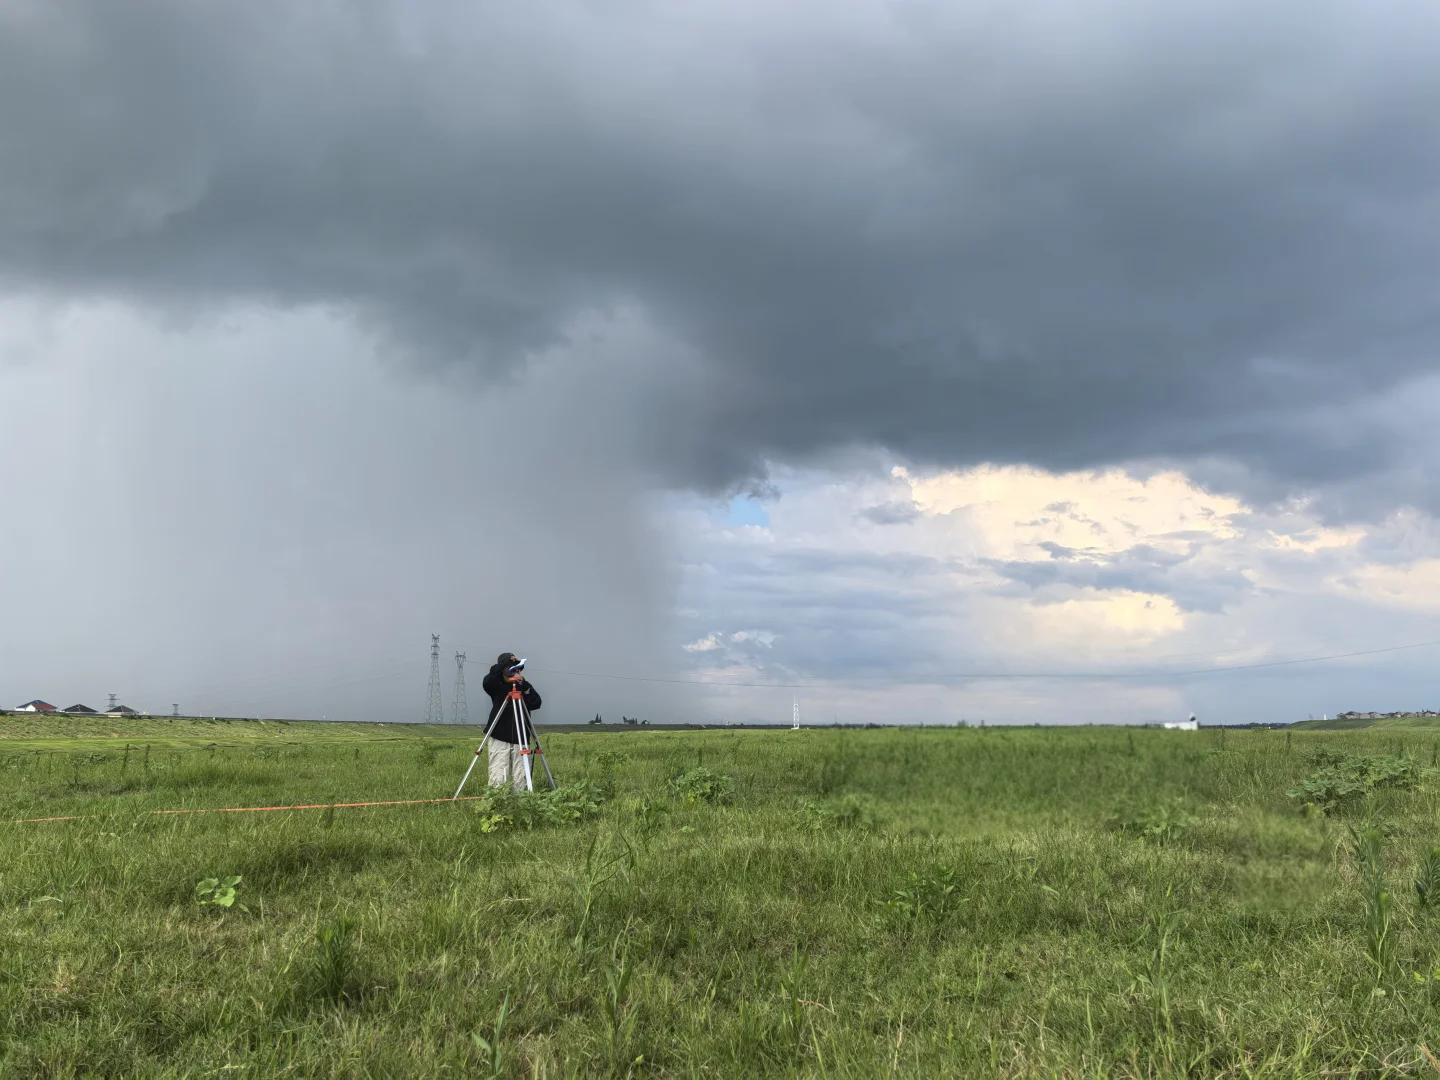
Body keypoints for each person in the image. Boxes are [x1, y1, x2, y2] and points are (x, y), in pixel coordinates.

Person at [481, 651, 542, 791]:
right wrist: (504, 663)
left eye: (514, 666)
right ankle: (498, 801)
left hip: (521, 738)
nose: (511, 669)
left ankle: (520, 802)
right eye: (508, 666)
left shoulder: (521, 685)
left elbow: (536, 702)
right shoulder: (495, 684)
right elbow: (490, 679)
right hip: (500, 736)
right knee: (499, 773)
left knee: (520, 776)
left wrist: (525, 686)